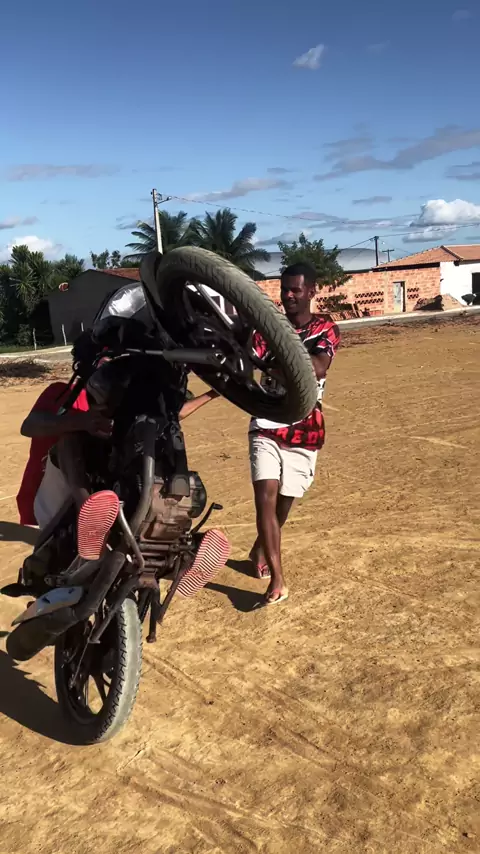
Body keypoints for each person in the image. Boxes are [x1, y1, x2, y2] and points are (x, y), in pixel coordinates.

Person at [17, 370, 219, 531]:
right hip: (54, 497)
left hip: (107, 494)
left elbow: (172, 415)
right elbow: (29, 425)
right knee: (71, 441)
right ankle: (91, 515)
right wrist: (82, 422)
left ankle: (172, 536)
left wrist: (213, 393)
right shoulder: (64, 392)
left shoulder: (127, 401)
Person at [248, 262, 340, 605]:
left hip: (305, 425)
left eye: (295, 290)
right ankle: (278, 579)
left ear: (312, 291)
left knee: (285, 501)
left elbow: (317, 368)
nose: (288, 295)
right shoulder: (268, 328)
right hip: (266, 421)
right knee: (266, 495)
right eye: (284, 289)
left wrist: (273, 366)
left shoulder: (326, 328)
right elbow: (250, 360)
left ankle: (261, 546)